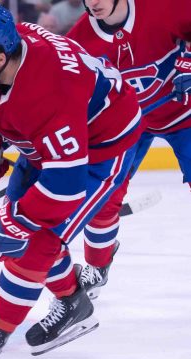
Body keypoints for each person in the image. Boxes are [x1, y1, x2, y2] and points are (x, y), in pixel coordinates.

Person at [0, 1, 143, 359]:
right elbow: (3, 101)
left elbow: (65, 184)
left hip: (102, 148)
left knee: (36, 240)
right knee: (27, 228)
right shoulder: (9, 49)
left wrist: (18, 221)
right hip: (56, 141)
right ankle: (72, 303)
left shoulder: (47, 91)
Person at [66, 0, 191, 298]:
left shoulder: (164, 7)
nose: (93, 2)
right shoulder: (78, 42)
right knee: (101, 194)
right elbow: (68, 97)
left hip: (185, 113)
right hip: (128, 125)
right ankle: (97, 266)